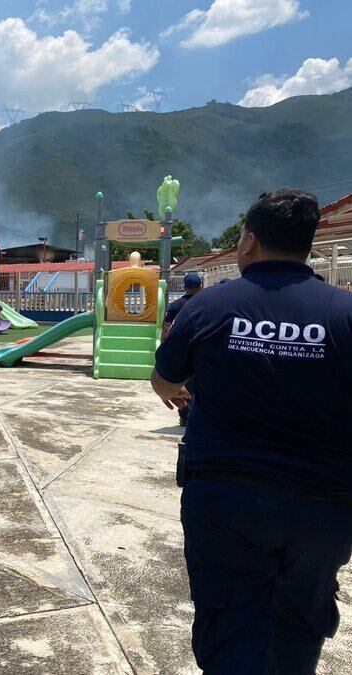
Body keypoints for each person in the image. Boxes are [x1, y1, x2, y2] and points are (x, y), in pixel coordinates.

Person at [150, 188, 352, 674]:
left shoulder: (208, 307)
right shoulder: (344, 313)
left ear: (249, 242)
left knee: (230, 619)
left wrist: (174, 394)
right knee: (302, 620)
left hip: (226, 499)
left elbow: (164, 377)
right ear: (307, 244)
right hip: (323, 505)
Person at [163, 272, 204, 427]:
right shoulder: (206, 302)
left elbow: (167, 328)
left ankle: (185, 416)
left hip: (182, 349)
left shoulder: (176, 305)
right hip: (201, 347)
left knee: (184, 384)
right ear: (200, 286)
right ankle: (199, 415)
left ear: (184, 287)